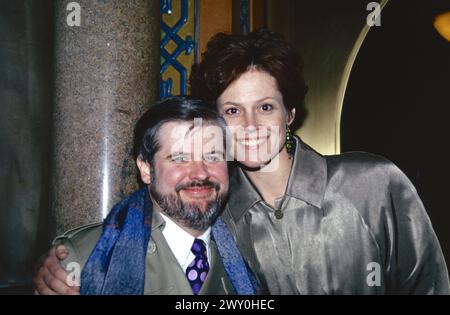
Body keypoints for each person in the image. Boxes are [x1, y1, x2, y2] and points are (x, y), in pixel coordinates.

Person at [35, 29, 449, 295]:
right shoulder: (213, 216)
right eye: (232, 111)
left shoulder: (374, 183)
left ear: (289, 114)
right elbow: (146, 215)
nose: (250, 124)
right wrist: (70, 259)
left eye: (265, 106)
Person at [34, 96, 258, 295]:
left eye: (212, 156)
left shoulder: (250, 250)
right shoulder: (86, 261)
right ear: (146, 169)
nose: (200, 172)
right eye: (179, 158)